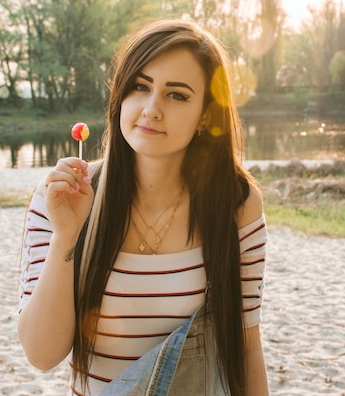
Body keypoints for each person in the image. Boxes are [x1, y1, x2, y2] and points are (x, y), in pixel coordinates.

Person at [18, 19, 269, 396]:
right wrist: (67, 235)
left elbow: (246, 347)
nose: (151, 109)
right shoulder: (61, 196)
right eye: (140, 86)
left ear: (205, 115)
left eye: (177, 95)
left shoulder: (236, 204)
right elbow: (41, 354)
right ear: (121, 96)